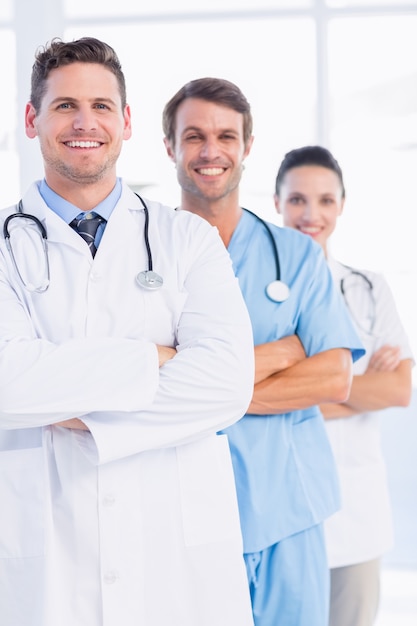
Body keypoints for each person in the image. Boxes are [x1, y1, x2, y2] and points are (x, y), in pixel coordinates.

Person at [0, 38, 257, 626]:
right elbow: (8, 386)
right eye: (65, 105)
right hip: (46, 566)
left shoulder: (188, 240)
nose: (85, 123)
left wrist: (60, 398)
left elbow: (225, 385)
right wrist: (155, 359)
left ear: (127, 121)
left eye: (101, 106)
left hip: (175, 563)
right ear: (32, 118)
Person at [162, 77, 365, 626]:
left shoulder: (293, 254)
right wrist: (282, 352)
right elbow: (145, 377)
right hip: (179, 513)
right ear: (170, 146)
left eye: (226, 136)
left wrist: (203, 384)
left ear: (247, 147)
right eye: (195, 136)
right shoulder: (147, 256)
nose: (211, 151)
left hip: (288, 511)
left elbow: (334, 377)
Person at [274, 145, 414, 626]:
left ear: (341, 206)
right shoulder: (251, 289)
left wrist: (295, 388)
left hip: (357, 511)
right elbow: (245, 397)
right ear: (277, 203)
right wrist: (359, 383)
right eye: (297, 200)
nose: (311, 214)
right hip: (281, 510)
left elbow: (398, 390)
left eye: (325, 201)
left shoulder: (369, 286)